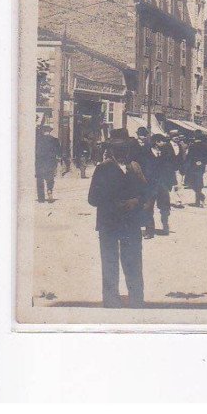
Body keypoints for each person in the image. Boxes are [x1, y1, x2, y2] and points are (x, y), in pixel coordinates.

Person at [87, 129, 148, 308]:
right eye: (117, 148)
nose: (121, 152)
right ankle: (111, 300)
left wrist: (136, 200)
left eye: (124, 148)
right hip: (109, 224)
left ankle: (137, 299)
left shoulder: (135, 167)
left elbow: (146, 193)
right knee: (110, 262)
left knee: (133, 262)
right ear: (111, 150)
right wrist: (116, 204)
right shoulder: (102, 169)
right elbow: (92, 199)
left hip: (131, 223)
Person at [149, 133, 177, 235]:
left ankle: (165, 226)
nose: (165, 143)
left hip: (163, 184)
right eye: (162, 141)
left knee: (165, 207)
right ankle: (150, 230)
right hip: (151, 184)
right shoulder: (146, 152)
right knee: (149, 207)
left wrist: (171, 182)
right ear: (157, 142)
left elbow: (172, 167)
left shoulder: (167, 151)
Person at [35, 124, 61, 203]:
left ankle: (41, 198)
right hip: (50, 162)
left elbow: (35, 151)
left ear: (43, 131)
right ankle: (49, 190)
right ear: (50, 131)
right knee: (50, 178)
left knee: (40, 180)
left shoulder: (38, 140)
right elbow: (59, 153)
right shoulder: (55, 140)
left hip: (40, 162)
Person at [185, 130, 207, 207]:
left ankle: (200, 198)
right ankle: (198, 201)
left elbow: (189, 156)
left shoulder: (192, 146)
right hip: (201, 166)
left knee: (192, 183)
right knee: (199, 182)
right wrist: (202, 162)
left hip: (193, 166)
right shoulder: (205, 146)